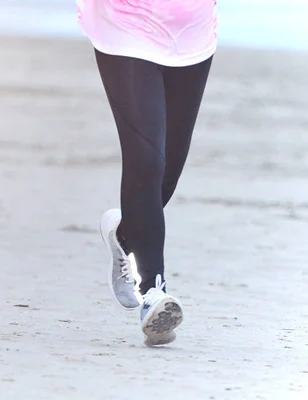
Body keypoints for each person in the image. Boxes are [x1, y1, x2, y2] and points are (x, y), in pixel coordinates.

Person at [78, 1, 218, 345]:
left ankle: (126, 233)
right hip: (125, 22)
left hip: (192, 31)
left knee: (167, 172)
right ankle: (153, 293)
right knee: (146, 160)